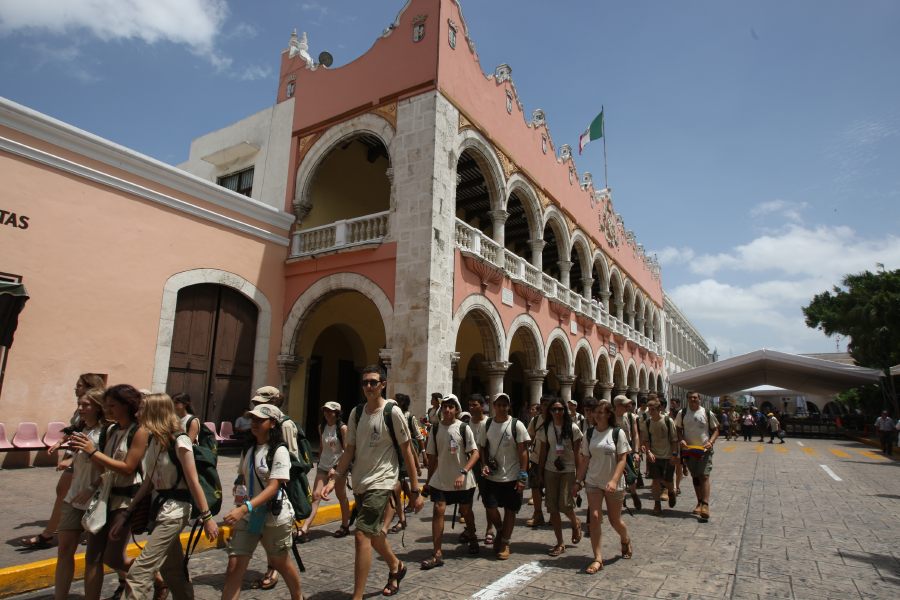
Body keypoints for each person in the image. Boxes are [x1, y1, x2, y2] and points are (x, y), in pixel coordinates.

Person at [107, 394, 219, 600]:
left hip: (175, 511)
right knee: (172, 571)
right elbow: (148, 482)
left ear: (155, 412)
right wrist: (127, 513)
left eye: (142, 409)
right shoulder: (154, 441)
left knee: (139, 573)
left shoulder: (181, 440)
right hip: (160, 510)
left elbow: (193, 481)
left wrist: (207, 517)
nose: (137, 414)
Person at [332, 365, 424, 599]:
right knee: (373, 535)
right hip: (361, 481)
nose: (369, 387)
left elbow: (407, 452)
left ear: (383, 384)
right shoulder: (356, 413)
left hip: (382, 482)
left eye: (374, 382)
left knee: (362, 535)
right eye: (365, 383)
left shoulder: (392, 412)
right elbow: (350, 449)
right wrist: (336, 477)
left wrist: (415, 489)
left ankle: (357, 596)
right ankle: (396, 566)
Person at [69, 384, 150, 600]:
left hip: (126, 500)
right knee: (92, 556)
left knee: (113, 557)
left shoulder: (139, 431)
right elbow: (103, 467)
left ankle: (155, 577)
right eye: (106, 405)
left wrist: (92, 451)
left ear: (126, 405)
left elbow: (127, 467)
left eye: (113, 405)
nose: (108, 410)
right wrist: (91, 483)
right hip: (105, 497)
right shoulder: (111, 430)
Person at [221, 403, 303, 600]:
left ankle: (297, 596)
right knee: (234, 567)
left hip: (273, 516)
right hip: (249, 516)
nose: (254, 423)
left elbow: (274, 486)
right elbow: (242, 476)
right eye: (253, 419)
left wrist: (245, 508)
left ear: (272, 423)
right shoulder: (248, 447)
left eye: (260, 420)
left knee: (280, 562)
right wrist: (240, 498)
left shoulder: (278, 450)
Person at [22, 372, 107, 549]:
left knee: (68, 493)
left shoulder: (99, 417)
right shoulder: (82, 409)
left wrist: (70, 459)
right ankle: (72, 529)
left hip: (86, 459)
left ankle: (49, 534)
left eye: (80, 385)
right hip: (77, 456)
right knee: (67, 493)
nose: (76, 388)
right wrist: (61, 442)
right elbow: (76, 429)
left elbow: (91, 438)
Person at [52, 388, 105, 600]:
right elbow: (77, 457)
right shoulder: (81, 429)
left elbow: (112, 469)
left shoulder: (106, 432)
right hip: (73, 497)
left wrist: (93, 486)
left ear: (98, 407)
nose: (80, 409)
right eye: (79, 404)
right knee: (64, 550)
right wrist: (69, 458)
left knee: (95, 558)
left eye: (86, 405)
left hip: (96, 500)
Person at [573, 398, 632, 574]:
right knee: (595, 517)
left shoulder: (617, 433)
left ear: (608, 415)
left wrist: (614, 480)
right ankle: (597, 558)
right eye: (595, 412)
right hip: (593, 481)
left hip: (613, 482)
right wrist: (578, 481)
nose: (596, 415)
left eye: (600, 412)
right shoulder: (590, 434)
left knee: (615, 521)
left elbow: (622, 459)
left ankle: (625, 538)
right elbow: (585, 459)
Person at [420, 394, 480, 568]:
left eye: (451, 406)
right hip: (441, 478)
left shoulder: (463, 428)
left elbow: (475, 453)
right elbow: (432, 458)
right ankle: (437, 553)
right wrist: (429, 481)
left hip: (463, 479)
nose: (447, 409)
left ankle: (472, 536)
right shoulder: (436, 429)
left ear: (456, 409)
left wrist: (464, 472)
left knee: (466, 511)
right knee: (438, 510)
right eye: (444, 406)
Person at [476, 392, 530, 560]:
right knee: (490, 506)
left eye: (504, 405)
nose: (501, 407)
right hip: (492, 476)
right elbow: (482, 447)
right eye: (498, 404)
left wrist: (523, 475)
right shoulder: (488, 424)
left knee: (510, 510)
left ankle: (505, 542)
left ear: (509, 406)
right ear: (494, 406)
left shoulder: (517, 425)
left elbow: (523, 452)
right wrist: (484, 464)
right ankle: (500, 529)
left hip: (512, 475)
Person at [535, 398, 583, 557]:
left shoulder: (573, 428)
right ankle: (560, 542)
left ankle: (575, 523)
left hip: (568, 469)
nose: (557, 412)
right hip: (550, 469)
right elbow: (543, 452)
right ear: (549, 411)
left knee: (565, 504)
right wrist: (540, 473)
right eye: (554, 409)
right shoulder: (546, 428)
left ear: (565, 411)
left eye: (560, 409)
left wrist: (579, 477)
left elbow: (578, 454)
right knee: (552, 507)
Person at [304, 401, 351, 539]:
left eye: (330, 411)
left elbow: (347, 451)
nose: (327, 414)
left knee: (341, 495)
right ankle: (305, 527)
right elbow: (321, 446)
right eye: (325, 411)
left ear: (337, 413)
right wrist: (318, 461)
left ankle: (345, 525)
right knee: (316, 495)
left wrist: (336, 468)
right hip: (323, 466)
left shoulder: (342, 428)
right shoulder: (322, 426)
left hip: (338, 468)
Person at [675, 391, 719, 522]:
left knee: (704, 475)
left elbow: (716, 429)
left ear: (699, 399)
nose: (693, 399)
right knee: (695, 476)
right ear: (687, 399)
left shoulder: (706, 413)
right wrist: (681, 439)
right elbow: (678, 428)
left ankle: (705, 505)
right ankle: (699, 502)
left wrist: (710, 442)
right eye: (690, 398)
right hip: (689, 450)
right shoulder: (682, 413)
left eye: (695, 397)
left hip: (704, 450)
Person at [638, 398, 678, 515]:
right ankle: (657, 504)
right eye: (649, 409)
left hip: (667, 455)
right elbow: (646, 439)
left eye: (653, 409)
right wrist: (648, 452)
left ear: (659, 408)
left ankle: (671, 492)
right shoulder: (648, 422)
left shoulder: (667, 421)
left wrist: (674, 454)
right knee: (655, 481)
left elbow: (674, 439)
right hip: (654, 456)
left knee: (668, 481)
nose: (651, 411)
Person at [467, 393, 495, 547]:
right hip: (469, 465)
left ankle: (490, 529)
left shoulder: (489, 423)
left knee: (487, 498)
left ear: (482, 406)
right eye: (470, 405)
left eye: (475, 405)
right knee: (467, 499)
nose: (471, 408)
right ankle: (469, 529)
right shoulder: (466, 423)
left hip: (484, 465)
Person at [613, 395, 641, 510]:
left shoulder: (630, 417)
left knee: (630, 476)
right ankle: (620, 499)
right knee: (616, 476)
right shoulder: (610, 417)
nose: (628, 406)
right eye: (625, 405)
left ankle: (633, 494)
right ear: (618, 405)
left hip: (626, 450)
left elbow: (635, 435)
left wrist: (636, 452)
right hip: (613, 451)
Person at [525, 398, 549, 527]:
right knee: (535, 486)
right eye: (544, 405)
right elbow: (529, 437)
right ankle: (538, 513)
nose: (546, 408)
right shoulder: (536, 421)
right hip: (536, 458)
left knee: (552, 489)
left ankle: (553, 514)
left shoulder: (557, 420)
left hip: (552, 460)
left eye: (548, 405)